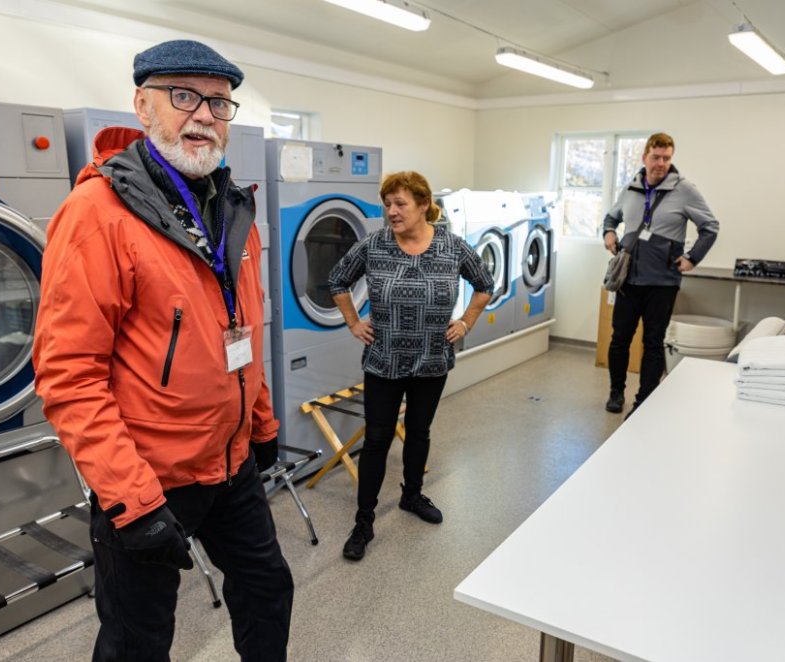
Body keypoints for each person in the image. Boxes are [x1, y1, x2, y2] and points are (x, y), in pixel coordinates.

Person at [32, 40, 293, 661]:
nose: (204, 115)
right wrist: (131, 499)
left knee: (268, 590)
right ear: (142, 106)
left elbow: (242, 329)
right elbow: (69, 375)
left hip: (229, 462)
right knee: (137, 641)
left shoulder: (232, 207)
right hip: (147, 475)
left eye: (220, 102)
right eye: (184, 96)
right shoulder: (97, 214)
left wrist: (260, 424)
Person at [328, 171, 494, 561]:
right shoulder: (375, 245)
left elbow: (484, 283)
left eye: (400, 203)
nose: (392, 211)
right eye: (387, 204)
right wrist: (353, 322)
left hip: (432, 359)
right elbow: (337, 280)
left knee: (419, 432)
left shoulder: (452, 247)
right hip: (384, 360)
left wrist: (466, 322)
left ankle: (412, 495)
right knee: (377, 439)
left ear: (423, 205)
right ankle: (364, 521)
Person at [602, 132, 719, 417]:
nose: (661, 164)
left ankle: (644, 402)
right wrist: (609, 233)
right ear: (645, 157)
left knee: (653, 343)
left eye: (666, 158)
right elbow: (611, 217)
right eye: (656, 157)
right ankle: (616, 392)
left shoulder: (684, 189)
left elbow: (710, 226)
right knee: (619, 339)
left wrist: (692, 258)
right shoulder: (631, 187)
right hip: (628, 280)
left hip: (662, 282)